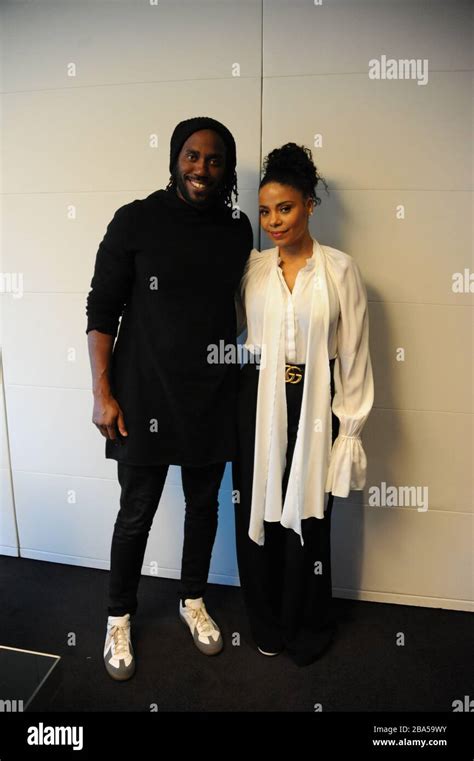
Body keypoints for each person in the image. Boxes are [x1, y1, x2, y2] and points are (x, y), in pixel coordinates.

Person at [86, 117, 253, 680]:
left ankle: (192, 599)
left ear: (226, 170)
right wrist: (101, 392)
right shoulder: (135, 220)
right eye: (192, 155)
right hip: (143, 393)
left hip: (210, 394)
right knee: (136, 513)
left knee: (203, 508)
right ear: (175, 159)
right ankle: (117, 616)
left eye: (214, 159)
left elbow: (238, 310)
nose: (201, 168)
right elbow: (101, 310)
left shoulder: (236, 230)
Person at [232, 142, 374, 667]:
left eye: (285, 208)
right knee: (258, 512)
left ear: (310, 205)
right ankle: (266, 623)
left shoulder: (340, 271)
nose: (273, 221)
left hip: (315, 399)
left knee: (310, 515)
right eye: (265, 211)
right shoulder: (253, 269)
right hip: (258, 400)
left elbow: (354, 356)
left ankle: (308, 626)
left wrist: (348, 431)